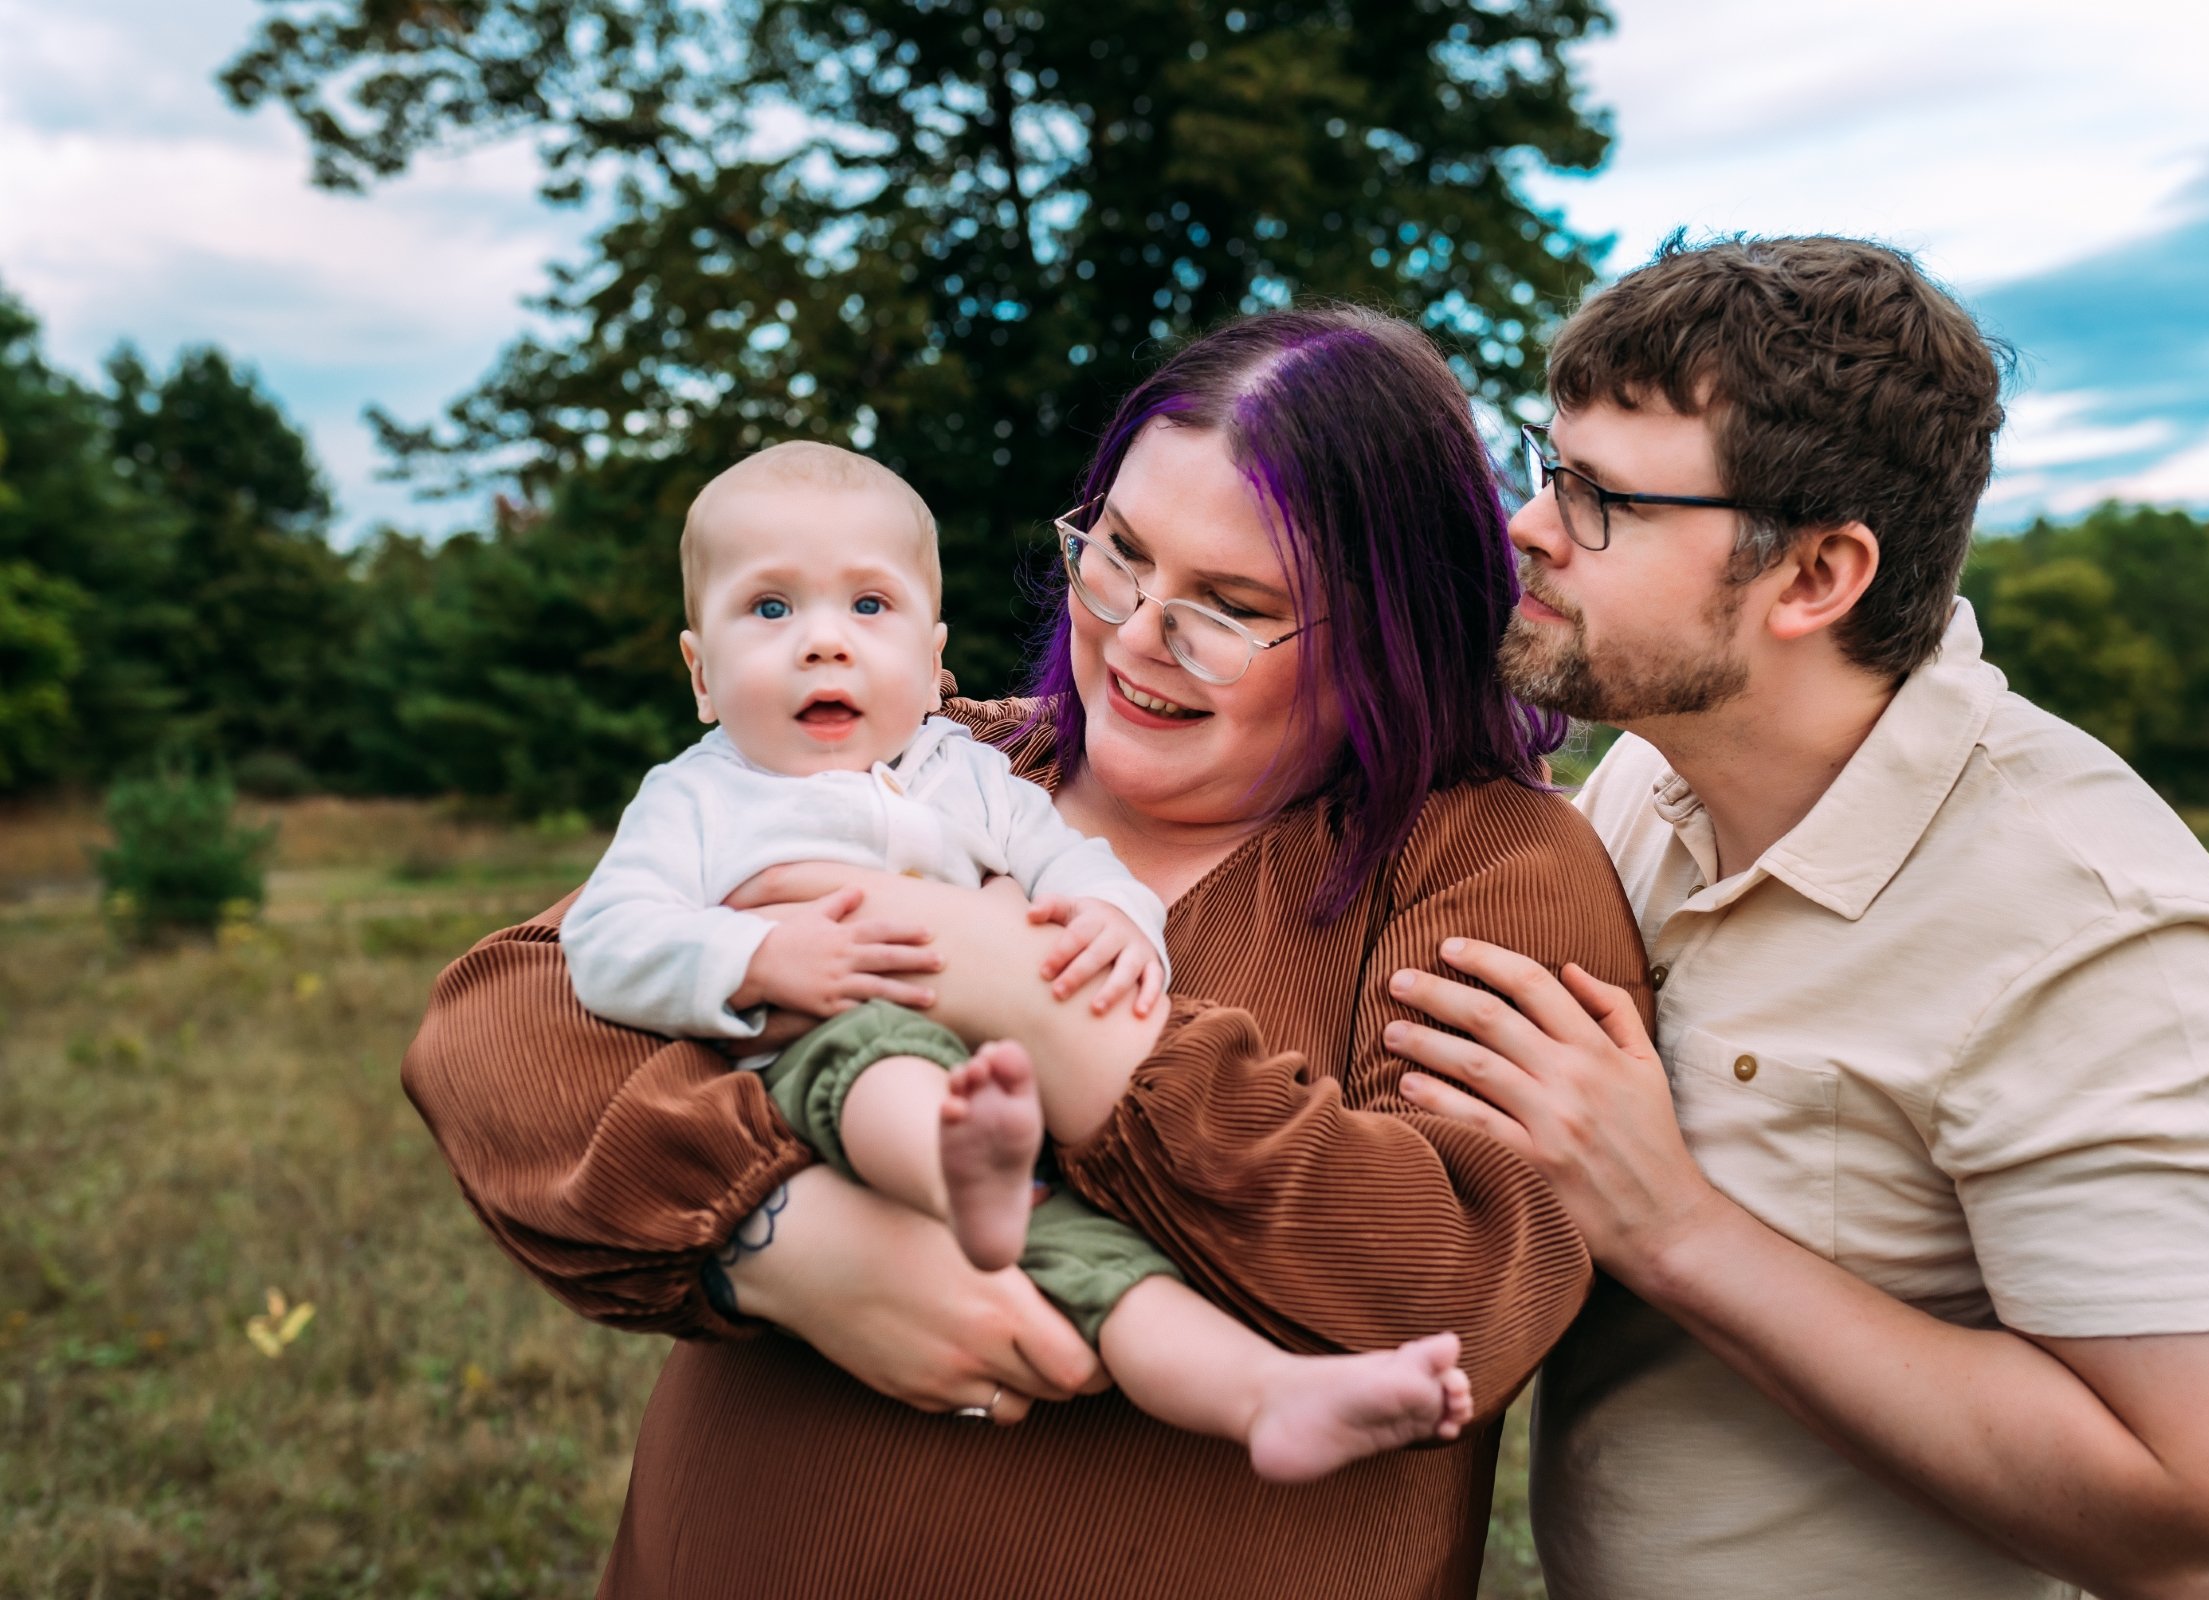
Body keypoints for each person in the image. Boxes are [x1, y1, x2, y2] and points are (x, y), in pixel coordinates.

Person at [400, 305, 1651, 1598]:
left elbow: (1466, 1284)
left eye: (1232, 605)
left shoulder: (1489, 865)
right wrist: (783, 1239)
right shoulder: (948, 756)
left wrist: (1039, 1008)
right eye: (1119, 556)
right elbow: (500, 1027)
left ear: (1396, 633)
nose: (1136, 631)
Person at [1387, 236, 2209, 1600]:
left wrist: (1676, 1231)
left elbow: (2205, 1532)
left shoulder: (2106, 934)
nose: (1527, 525)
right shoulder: (1651, 774)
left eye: (1602, 501)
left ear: (1814, 579)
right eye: (1546, 465)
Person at [558, 438, 1475, 1482]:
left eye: (870, 607)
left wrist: (1117, 921)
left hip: (996, 1104)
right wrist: (760, 953)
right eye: (770, 610)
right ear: (701, 675)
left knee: (1113, 1274)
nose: (824, 644)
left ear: (933, 654)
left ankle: (1264, 1393)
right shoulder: (700, 794)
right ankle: (965, 1163)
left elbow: (1074, 862)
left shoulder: (967, 770)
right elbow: (603, 938)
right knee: (880, 1064)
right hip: (812, 1063)